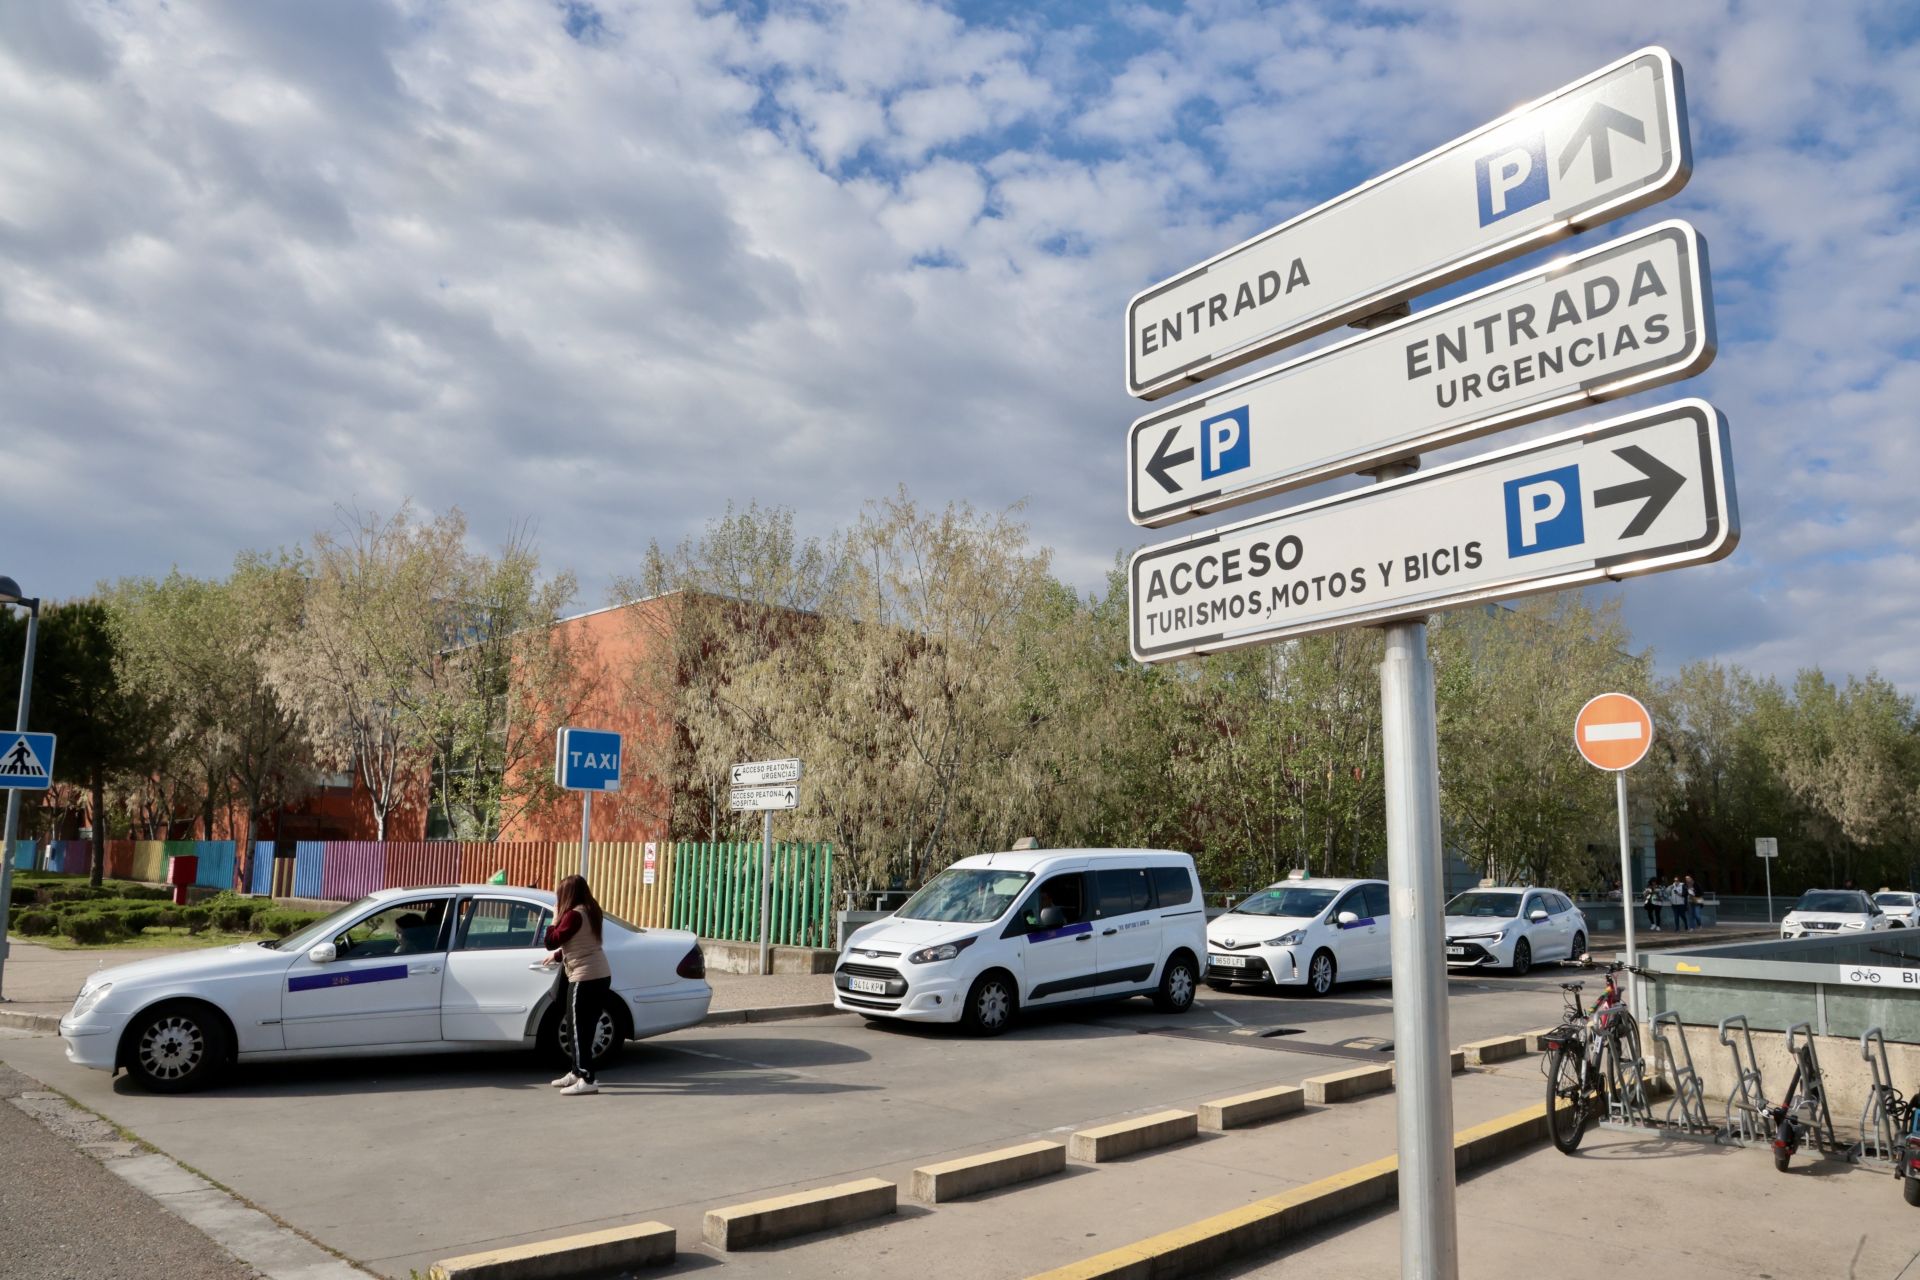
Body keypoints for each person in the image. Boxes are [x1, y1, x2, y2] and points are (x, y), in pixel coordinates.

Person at [543, 875, 612, 1096]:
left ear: (568, 894)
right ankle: (576, 1071)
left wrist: (554, 918)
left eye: (560, 894)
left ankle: (587, 1077)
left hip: (585, 978)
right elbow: (580, 942)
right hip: (599, 975)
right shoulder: (591, 910)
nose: (558, 898)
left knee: (577, 1029)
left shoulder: (572, 915)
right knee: (585, 1027)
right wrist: (557, 956)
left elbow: (551, 940)